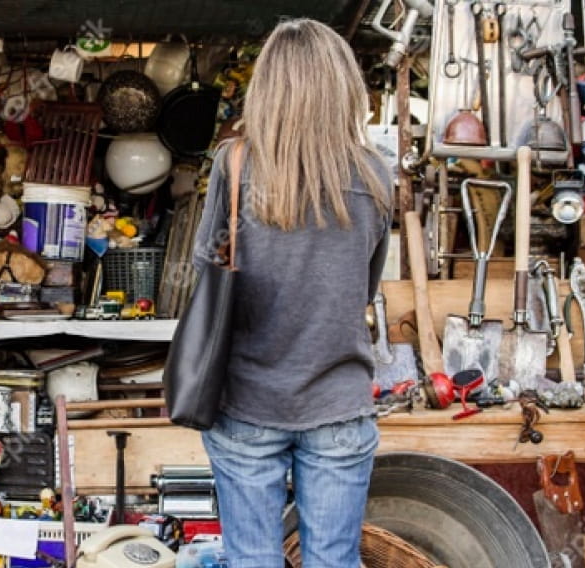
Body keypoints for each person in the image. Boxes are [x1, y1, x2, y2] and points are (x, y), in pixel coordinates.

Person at [192, 19, 393, 568]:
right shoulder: (376, 175)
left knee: (252, 559)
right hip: (338, 402)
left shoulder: (234, 166)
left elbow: (205, 276)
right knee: (333, 560)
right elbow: (365, 286)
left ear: (268, 85)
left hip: (247, 401)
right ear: (343, 86)